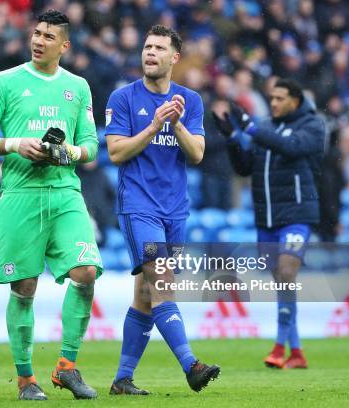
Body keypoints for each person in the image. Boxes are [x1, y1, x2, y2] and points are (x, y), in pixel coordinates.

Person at [0, 10, 102, 401]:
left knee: (87, 272)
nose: (39, 40)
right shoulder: (5, 81)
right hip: (20, 196)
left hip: (64, 193)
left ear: (65, 46)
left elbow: (92, 147)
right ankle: (26, 379)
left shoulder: (78, 87)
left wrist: (67, 152)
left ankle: (67, 367)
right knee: (25, 286)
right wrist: (14, 144)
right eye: (36, 33)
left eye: (48, 36)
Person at [105, 25, 220, 396]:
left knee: (145, 293)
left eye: (158, 48)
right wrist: (155, 125)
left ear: (175, 58)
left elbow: (197, 153)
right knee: (163, 282)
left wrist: (175, 124)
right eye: (146, 47)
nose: (150, 53)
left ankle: (123, 379)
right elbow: (116, 152)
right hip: (138, 207)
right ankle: (191, 365)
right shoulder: (123, 98)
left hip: (176, 211)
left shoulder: (190, 101)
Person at [213, 78, 325, 369]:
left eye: (280, 98)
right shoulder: (265, 127)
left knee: (287, 272)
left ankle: (278, 348)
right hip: (267, 219)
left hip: (297, 216)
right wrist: (233, 140)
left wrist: (252, 130)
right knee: (283, 284)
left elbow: (291, 148)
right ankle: (297, 353)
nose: (273, 102)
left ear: (295, 101)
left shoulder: (312, 126)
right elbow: (245, 167)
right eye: (271, 98)